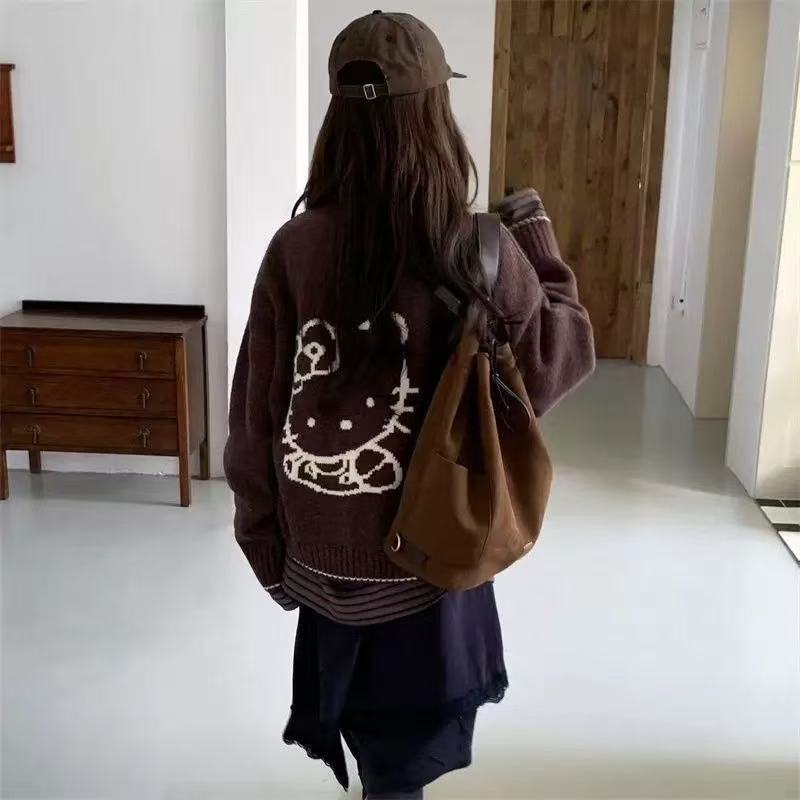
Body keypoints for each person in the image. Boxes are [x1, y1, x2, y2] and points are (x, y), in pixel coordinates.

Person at [224, 10, 595, 800]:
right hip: (435, 560)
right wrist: (538, 242)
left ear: (337, 121)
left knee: (370, 752)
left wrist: (265, 545)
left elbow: (255, 416)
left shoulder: (294, 249)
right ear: (435, 114)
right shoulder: (478, 248)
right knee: (402, 772)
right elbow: (557, 363)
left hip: (322, 566)